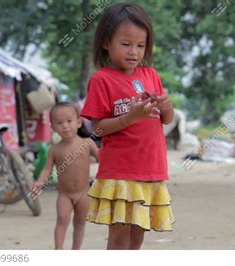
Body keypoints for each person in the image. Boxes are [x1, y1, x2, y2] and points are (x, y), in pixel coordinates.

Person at [80, 2, 175, 250]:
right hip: (121, 170)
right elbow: (96, 129)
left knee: (138, 233)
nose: (134, 51)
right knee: (120, 232)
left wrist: (166, 105)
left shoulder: (150, 75)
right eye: (126, 44)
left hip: (151, 167)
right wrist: (128, 118)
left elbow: (167, 119)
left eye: (140, 45)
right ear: (105, 42)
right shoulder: (101, 80)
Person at [30, 102, 99, 249]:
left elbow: (103, 159)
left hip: (84, 193)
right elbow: (47, 170)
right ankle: (58, 250)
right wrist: (39, 182)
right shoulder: (54, 149)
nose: (65, 126)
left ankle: (75, 251)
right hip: (65, 194)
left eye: (69, 121)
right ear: (53, 127)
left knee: (80, 223)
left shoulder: (87, 143)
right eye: (59, 123)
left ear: (79, 122)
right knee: (62, 219)